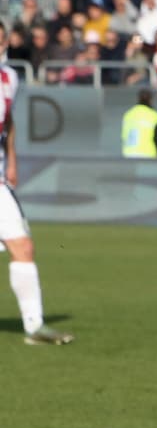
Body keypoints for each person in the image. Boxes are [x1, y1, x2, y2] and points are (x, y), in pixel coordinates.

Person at [1, 24, 74, 346]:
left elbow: (9, 121)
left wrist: (12, 159)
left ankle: (34, 327)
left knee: (23, 246)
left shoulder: (10, 78)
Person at [120, 88, 157, 158]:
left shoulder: (128, 114)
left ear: (138, 98)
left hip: (128, 155)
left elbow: (124, 136)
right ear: (151, 100)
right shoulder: (153, 115)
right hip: (148, 155)